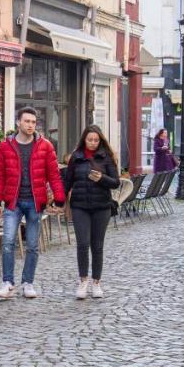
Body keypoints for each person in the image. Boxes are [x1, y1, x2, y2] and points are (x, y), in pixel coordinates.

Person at [0, 107, 65, 299]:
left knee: (32, 245)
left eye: (33, 122)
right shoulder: (5, 146)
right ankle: (8, 282)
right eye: (27, 121)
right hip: (13, 202)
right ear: (18, 123)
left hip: (35, 201)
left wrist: (59, 198)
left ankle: (28, 283)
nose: (31, 125)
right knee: (7, 242)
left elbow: (54, 175)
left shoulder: (45, 146)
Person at [62, 125, 120, 299]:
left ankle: (96, 282)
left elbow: (116, 182)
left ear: (100, 140)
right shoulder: (76, 158)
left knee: (97, 245)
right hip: (79, 205)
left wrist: (102, 178)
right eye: (90, 140)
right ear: (84, 140)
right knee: (82, 243)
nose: (93, 143)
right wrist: (59, 201)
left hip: (101, 206)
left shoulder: (106, 157)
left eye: (96, 140)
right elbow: (67, 182)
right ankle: (83, 281)